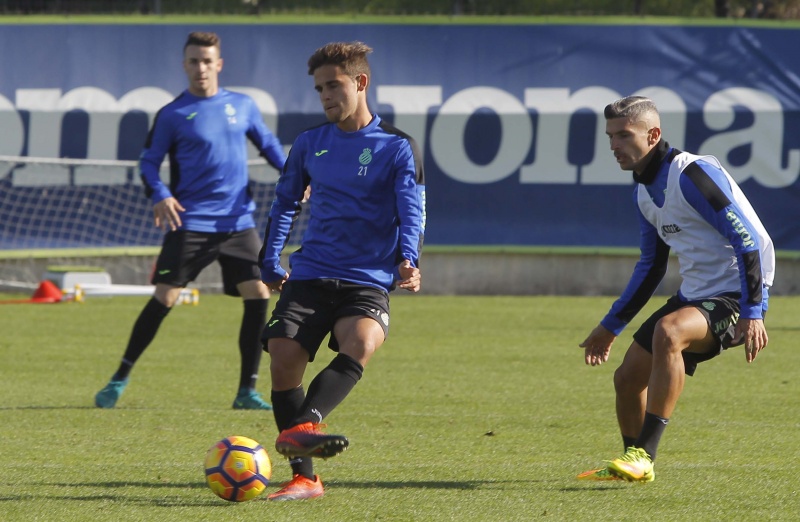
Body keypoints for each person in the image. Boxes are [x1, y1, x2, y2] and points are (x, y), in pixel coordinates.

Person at [258, 41, 425, 501]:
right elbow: (285, 202)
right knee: (282, 356)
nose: (326, 96)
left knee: (363, 341)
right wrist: (269, 259)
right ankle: (305, 478)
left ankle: (303, 428)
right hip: (311, 273)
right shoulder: (310, 143)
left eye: (333, 85)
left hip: (366, 278)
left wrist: (408, 259)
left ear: (361, 82)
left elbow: (412, 210)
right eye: (319, 89)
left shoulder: (397, 146)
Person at [577, 96, 775, 482]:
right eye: (610, 136)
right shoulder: (643, 192)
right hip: (696, 295)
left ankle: (645, 456)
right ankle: (631, 464)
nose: (614, 145)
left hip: (737, 293)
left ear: (653, 135)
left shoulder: (691, 175)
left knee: (670, 332)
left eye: (624, 135)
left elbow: (747, 239)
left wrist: (754, 311)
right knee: (626, 380)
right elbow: (652, 266)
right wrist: (610, 325)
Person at [94, 31, 286, 410]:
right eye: (194, 61)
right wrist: (160, 193)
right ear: (185, 66)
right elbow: (148, 162)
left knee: (259, 293)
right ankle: (119, 378)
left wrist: (294, 176)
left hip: (238, 223)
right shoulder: (173, 114)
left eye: (207, 61)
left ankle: (246, 392)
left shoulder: (242, 105)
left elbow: (268, 146)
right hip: (192, 222)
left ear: (219, 64)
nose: (201, 68)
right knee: (165, 297)